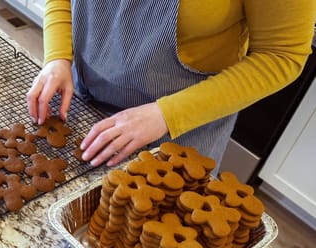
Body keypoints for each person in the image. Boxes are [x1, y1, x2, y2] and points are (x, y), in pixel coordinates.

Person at [26, 0, 316, 171]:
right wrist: (58, 56)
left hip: (182, 128)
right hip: (83, 97)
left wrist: (167, 114)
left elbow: (282, 55)